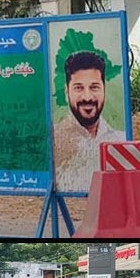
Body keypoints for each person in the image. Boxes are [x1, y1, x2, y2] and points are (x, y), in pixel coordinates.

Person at [52, 50, 124, 193]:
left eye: (94, 87)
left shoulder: (120, 140)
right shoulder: (53, 140)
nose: (87, 97)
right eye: (78, 88)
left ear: (104, 89)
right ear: (67, 92)